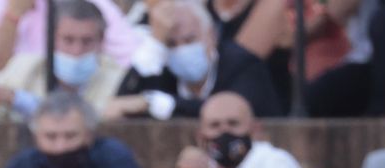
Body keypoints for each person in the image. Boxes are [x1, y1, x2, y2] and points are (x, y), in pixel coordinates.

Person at [108, 0, 283, 118]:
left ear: (212, 35)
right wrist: (157, 43)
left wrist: (159, 104)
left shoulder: (242, 64)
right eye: (171, 43)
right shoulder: (163, 71)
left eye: (189, 40)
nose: (181, 49)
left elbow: (231, 113)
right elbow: (123, 101)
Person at [0, 0, 127, 120]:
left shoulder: (118, 80)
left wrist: (17, 100)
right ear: (51, 39)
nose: (77, 51)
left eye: (87, 41)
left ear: (101, 42)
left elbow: (88, 119)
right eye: (68, 40)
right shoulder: (24, 68)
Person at [0, 0, 136, 76]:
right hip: (12, 108)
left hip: (88, 102)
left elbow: (133, 61)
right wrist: (13, 16)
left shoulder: (97, 4)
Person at [0, 90, 142, 168]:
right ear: (36, 136)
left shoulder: (114, 159)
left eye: (70, 136)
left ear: (88, 134)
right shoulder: (24, 166)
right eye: (51, 137)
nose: (61, 146)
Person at [175, 90, 304, 168]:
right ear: (200, 136)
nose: (224, 131)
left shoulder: (275, 164)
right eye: (214, 125)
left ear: (255, 129)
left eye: (233, 123)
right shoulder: (198, 167)